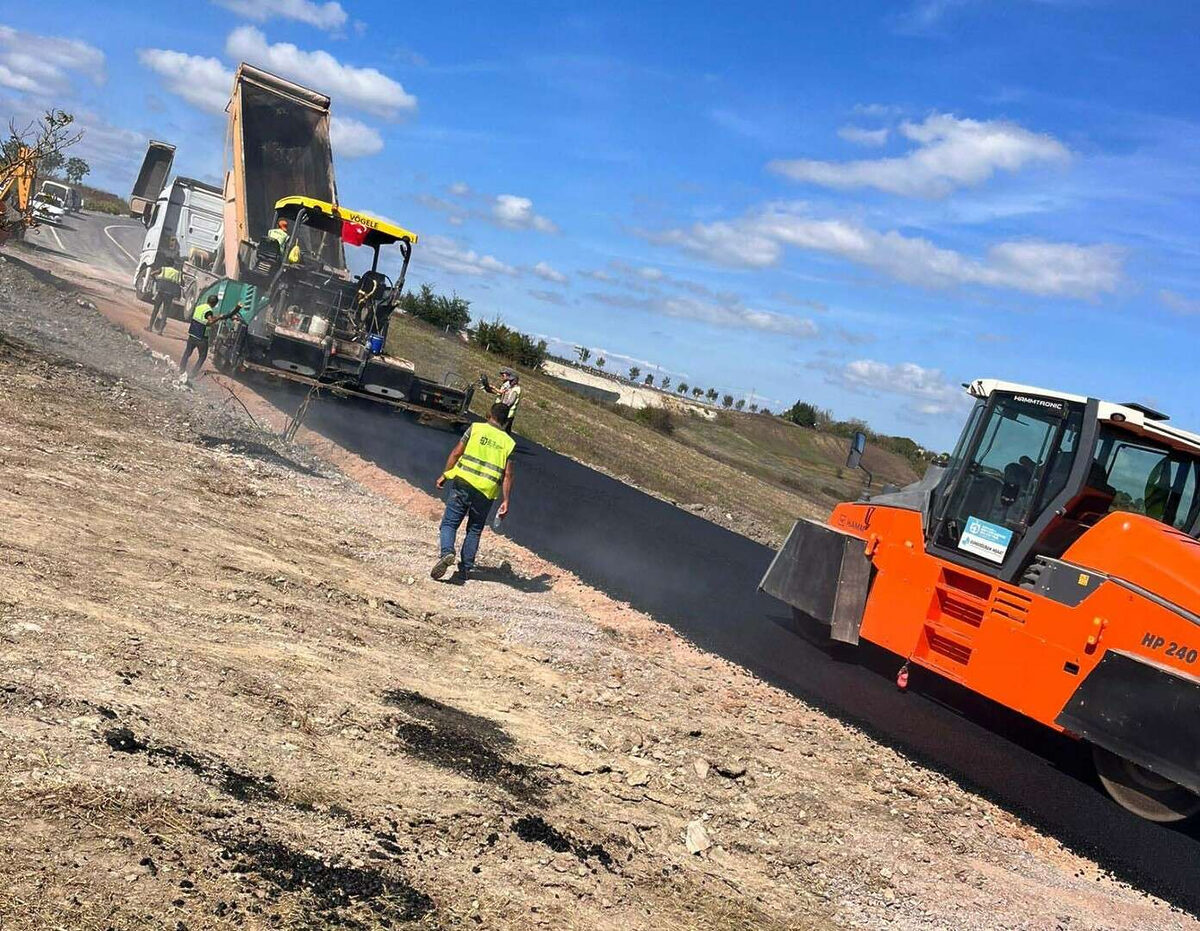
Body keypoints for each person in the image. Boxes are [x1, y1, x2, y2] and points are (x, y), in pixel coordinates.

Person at [432, 403, 516, 583]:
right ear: (506, 421)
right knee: (475, 530)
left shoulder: (475, 429)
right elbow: (508, 474)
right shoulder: (508, 443)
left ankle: (447, 552)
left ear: (489, 414)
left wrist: (445, 475)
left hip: (463, 484)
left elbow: (456, 453)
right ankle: (464, 569)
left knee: (449, 524)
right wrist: (506, 500)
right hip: (486, 492)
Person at [178, 294, 241, 381]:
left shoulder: (200, 307)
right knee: (202, 356)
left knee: (187, 353)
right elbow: (210, 321)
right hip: (201, 337)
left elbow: (204, 318)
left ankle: (181, 369)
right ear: (215, 304)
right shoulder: (208, 310)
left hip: (192, 334)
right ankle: (192, 373)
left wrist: (219, 317)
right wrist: (218, 317)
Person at [147, 261, 182, 334]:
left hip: (161, 292)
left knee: (155, 310)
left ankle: (150, 327)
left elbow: (152, 274)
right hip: (170, 294)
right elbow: (182, 283)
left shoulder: (163, 269)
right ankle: (160, 331)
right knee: (165, 312)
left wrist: (156, 280)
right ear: (173, 265)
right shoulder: (177, 273)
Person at [485, 367, 522, 434]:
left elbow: (510, 402)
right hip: (503, 411)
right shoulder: (510, 387)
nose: (510, 382)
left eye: (512, 381)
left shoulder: (516, 390)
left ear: (515, 381)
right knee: (505, 430)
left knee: (501, 430)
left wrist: (501, 407)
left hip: (507, 413)